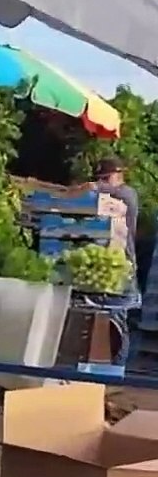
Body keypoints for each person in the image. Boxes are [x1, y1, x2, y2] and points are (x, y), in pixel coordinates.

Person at [90, 156, 142, 365]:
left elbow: (112, 191)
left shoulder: (128, 195)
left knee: (117, 322)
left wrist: (92, 186)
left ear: (118, 176)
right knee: (97, 323)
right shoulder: (104, 199)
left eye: (106, 178)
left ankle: (117, 371)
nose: (102, 183)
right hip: (104, 267)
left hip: (123, 267)